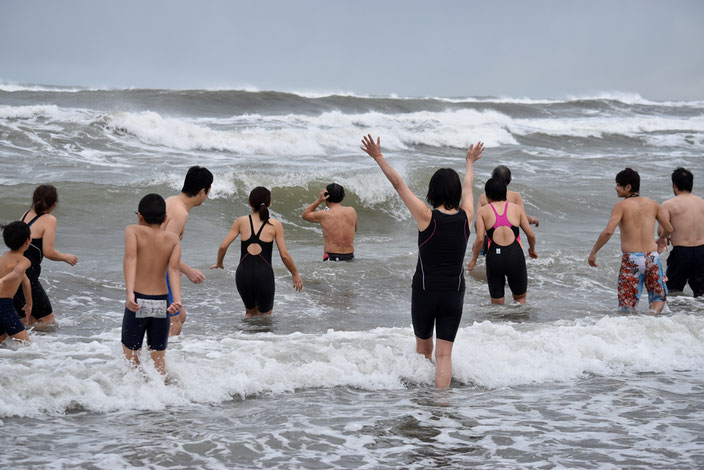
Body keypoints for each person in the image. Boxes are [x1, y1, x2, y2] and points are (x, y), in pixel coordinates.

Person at [361, 134, 482, 389]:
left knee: (424, 351)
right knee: (444, 355)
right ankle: (441, 405)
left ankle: (423, 403)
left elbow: (399, 185)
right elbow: (469, 189)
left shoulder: (427, 217)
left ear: (433, 190)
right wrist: (470, 162)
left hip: (425, 293)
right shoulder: (466, 217)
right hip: (453, 293)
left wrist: (378, 157)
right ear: (455, 192)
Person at [588, 168, 672, 313]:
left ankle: (630, 330)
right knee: (658, 297)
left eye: (618, 184)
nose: (616, 188)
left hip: (632, 259)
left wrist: (594, 252)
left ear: (628, 187)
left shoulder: (621, 206)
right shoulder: (653, 204)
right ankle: (653, 317)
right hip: (652, 257)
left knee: (627, 303)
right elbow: (669, 229)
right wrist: (661, 239)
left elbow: (608, 231)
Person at [211, 186, 303, 316]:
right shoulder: (275, 224)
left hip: (243, 274)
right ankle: (262, 337)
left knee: (249, 313)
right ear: (269, 203)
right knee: (265, 316)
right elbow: (284, 255)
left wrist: (219, 263)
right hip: (264, 275)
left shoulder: (240, 221)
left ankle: (242, 337)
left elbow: (223, 247)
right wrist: (295, 273)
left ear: (249, 202)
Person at [122, 194, 181, 375]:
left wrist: (130, 292)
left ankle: (139, 396)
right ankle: (161, 395)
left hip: (139, 300)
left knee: (131, 356)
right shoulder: (172, 239)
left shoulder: (133, 231)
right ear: (164, 218)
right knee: (158, 358)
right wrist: (177, 300)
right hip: (162, 303)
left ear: (139, 216)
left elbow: (131, 259)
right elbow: (173, 270)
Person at [13, 185, 78, 327]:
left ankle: (19, 348)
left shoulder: (25, 214)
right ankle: (41, 348)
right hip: (27, 276)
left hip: (13, 270)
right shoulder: (49, 219)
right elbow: (48, 252)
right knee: (48, 321)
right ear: (54, 204)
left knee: (26, 320)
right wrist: (66, 257)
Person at [468, 178, 538, 304]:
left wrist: (474, 260)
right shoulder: (517, 209)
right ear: (505, 193)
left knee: (497, 303)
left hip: (495, 258)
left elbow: (479, 239)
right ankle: (521, 324)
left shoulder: (483, 211)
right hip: (515, 256)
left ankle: (498, 324)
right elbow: (531, 235)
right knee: (520, 298)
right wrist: (532, 249)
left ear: (488, 196)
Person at [164, 166, 213, 335]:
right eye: (208, 191)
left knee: (180, 316)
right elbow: (163, 249)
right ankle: (161, 360)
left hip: (154, 270)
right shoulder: (180, 213)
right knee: (174, 321)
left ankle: (150, 357)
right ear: (202, 191)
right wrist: (188, 270)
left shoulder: (170, 200)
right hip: (160, 273)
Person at [658, 168, 704, 297]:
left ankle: (676, 316)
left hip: (681, 253)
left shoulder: (668, 205)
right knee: (701, 292)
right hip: (702, 251)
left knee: (673, 291)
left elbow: (662, 230)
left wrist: (663, 239)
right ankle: (698, 316)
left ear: (674, 185)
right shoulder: (702, 203)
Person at [301, 183, 358, 261]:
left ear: (326, 197)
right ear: (343, 197)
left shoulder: (324, 214)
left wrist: (319, 201)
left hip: (332, 257)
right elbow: (354, 229)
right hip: (350, 255)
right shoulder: (352, 211)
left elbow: (305, 215)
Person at [0, 221, 32, 344]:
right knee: (26, 345)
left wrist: (29, 305)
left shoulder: (4, 255)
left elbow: (26, 281)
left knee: (2, 342)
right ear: (27, 241)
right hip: (4, 306)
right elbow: (16, 273)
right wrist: (2, 280)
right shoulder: (24, 261)